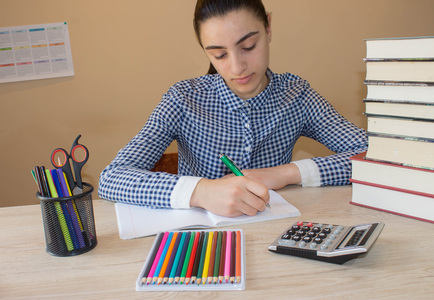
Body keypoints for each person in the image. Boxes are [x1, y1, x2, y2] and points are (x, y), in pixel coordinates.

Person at [98, 0, 367, 217]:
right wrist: (202, 192)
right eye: (219, 55)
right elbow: (112, 178)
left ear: (269, 27)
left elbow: (376, 158)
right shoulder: (183, 99)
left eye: (248, 46)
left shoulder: (296, 96)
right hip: (203, 245)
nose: (237, 68)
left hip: (275, 233)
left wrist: (285, 173)